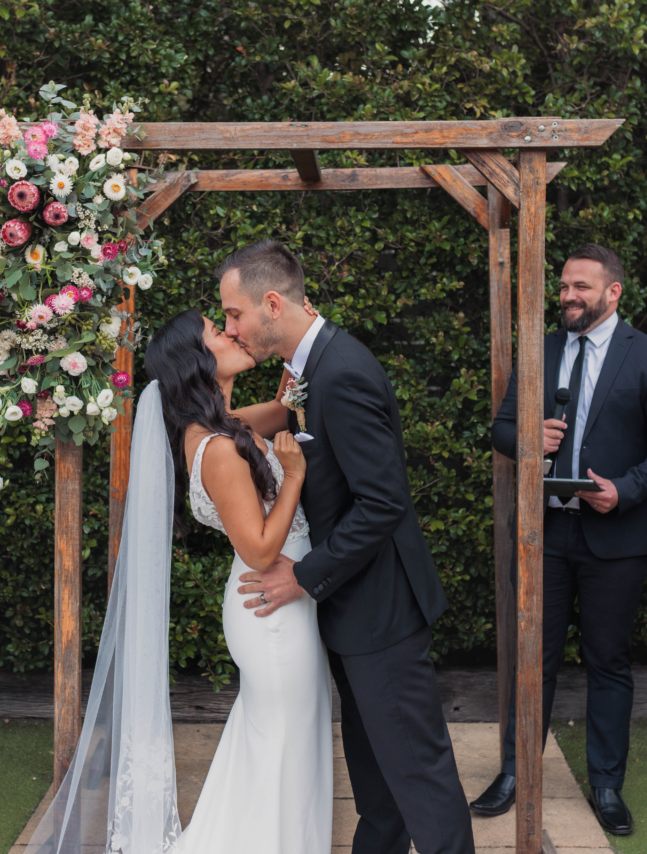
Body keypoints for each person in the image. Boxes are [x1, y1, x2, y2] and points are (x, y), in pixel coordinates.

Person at [26, 308, 329, 854]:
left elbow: (283, 410)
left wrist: (294, 335)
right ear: (198, 359)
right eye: (218, 330)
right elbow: (260, 549)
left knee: (280, 743)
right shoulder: (218, 448)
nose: (231, 331)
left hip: (282, 604)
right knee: (283, 744)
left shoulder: (227, 425)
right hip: (270, 609)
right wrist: (295, 478)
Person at [223, 240, 474, 854]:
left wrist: (303, 575)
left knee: (417, 774)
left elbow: (383, 503)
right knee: (378, 788)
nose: (231, 328)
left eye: (234, 314)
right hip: (352, 609)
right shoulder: (309, 368)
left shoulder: (343, 372)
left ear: (272, 304)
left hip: (380, 611)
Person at [475, 244, 647, 836]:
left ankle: (606, 786)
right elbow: (500, 428)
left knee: (608, 662)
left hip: (616, 536)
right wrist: (527, 436)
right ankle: (516, 773)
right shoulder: (541, 349)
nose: (568, 296)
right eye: (564, 286)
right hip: (544, 533)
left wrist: (626, 490)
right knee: (532, 659)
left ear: (613, 292)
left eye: (582, 287)